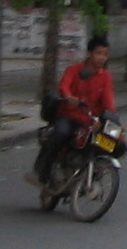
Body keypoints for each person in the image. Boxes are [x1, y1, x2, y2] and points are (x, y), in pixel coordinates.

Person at [33, 32, 116, 189]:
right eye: (98, 53)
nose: (102, 58)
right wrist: (69, 97)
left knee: (108, 143)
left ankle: (89, 173)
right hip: (69, 117)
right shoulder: (74, 70)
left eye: (105, 54)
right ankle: (44, 172)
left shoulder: (105, 77)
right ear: (90, 53)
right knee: (61, 133)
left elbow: (108, 101)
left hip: (89, 122)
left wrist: (113, 119)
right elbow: (64, 86)